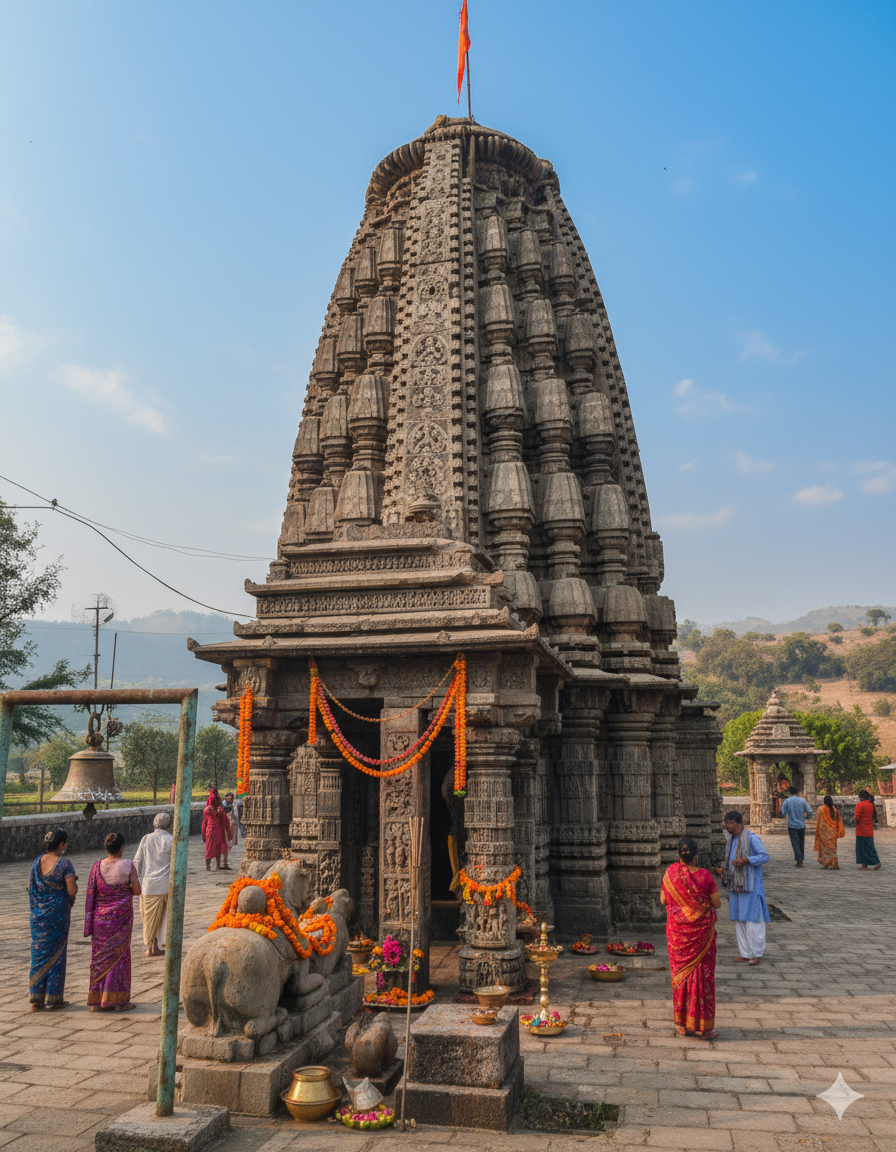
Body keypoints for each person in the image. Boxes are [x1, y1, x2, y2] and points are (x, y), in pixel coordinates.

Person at [661, 837, 721, 1040]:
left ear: (679, 855)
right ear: (696, 855)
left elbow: (662, 899)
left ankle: (681, 1023)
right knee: (704, 976)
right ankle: (705, 1028)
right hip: (702, 934)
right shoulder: (705, 876)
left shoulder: (670, 873)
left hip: (678, 935)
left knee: (681, 977)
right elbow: (717, 903)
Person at [84, 832, 141, 1011]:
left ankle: (97, 1001)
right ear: (122, 848)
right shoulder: (128, 865)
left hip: (100, 920)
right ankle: (118, 1001)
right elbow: (137, 890)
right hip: (120, 919)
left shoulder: (96, 867)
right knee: (120, 956)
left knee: (99, 959)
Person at [28, 829, 78, 1012]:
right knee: (57, 954)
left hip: (38, 917)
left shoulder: (37, 862)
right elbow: (71, 890)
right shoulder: (65, 864)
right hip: (57, 915)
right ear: (62, 844)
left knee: (39, 954)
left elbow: (29, 886)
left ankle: (36, 999)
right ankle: (54, 998)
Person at [717, 810, 770, 966]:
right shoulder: (730, 839)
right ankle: (746, 953)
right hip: (735, 884)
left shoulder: (752, 838)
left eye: (730, 823)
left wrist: (747, 860)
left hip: (750, 885)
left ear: (739, 824)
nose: (727, 826)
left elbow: (764, 856)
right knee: (739, 918)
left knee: (753, 919)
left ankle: (756, 953)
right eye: (725, 823)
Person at [134, 812, 173, 957]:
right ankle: (156, 946)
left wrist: (133, 881)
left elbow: (137, 861)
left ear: (154, 824)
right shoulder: (171, 839)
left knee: (149, 919)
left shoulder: (146, 839)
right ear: (168, 826)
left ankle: (152, 947)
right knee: (162, 918)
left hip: (148, 885)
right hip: (164, 884)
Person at [780, 786, 815, 867]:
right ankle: (801, 859)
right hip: (801, 825)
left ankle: (799, 860)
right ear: (797, 793)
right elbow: (809, 811)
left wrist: (784, 815)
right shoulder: (802, 801)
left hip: (792, 825)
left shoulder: (787, 801)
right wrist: (807, 817)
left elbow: (783, 813)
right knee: (801, 843)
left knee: (795, 843)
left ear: (789, 793)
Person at [202, 792, 232, 871]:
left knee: (209, 848)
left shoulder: (207, 810)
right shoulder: (220, 810)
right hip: (219, 830)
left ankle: (208, 867)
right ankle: (218, 866)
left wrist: (203, 834)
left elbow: (204, 823)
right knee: (218, 848)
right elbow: (226, 822)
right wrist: (229, 833)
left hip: (210, 830)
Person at [814, 795, 845, 869]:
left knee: (825, 849)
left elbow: (819, 821)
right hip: (833, 832)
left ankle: (826, 863)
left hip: (824, 833)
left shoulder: (821, 809)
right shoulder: (834, 810)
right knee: (833, 849)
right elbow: (838, 821)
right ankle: (834, 862)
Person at [855, 789, 882, 870]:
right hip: (869, 830)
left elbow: (856, 817)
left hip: (861, 830)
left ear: (860, 797)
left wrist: (857, 823)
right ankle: (875, 862)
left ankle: (866, 865)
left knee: (862, 848)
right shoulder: (870, 805)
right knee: (870, 847)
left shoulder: (860, 805)